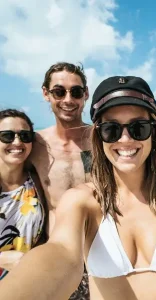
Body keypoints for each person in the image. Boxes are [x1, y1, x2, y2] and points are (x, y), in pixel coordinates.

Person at [0, 76, 156, 300]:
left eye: (139, 128)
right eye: (111, 129)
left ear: (154, 133)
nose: (126, 139)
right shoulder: (83, 201)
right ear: (98, 136)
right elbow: (60, 253)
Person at [29, 62, 91, 299]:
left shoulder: (102, 140)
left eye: (76, 92)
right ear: (46, 93)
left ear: (85, 94)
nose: (68, 99)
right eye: (59, 91)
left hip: (100, 255)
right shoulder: (35, 145)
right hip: (57, 257)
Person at [0, 109, 45, 280]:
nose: (17, 142)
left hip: (27, 285)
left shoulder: (38, 183)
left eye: (25, 136)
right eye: (7, 136)